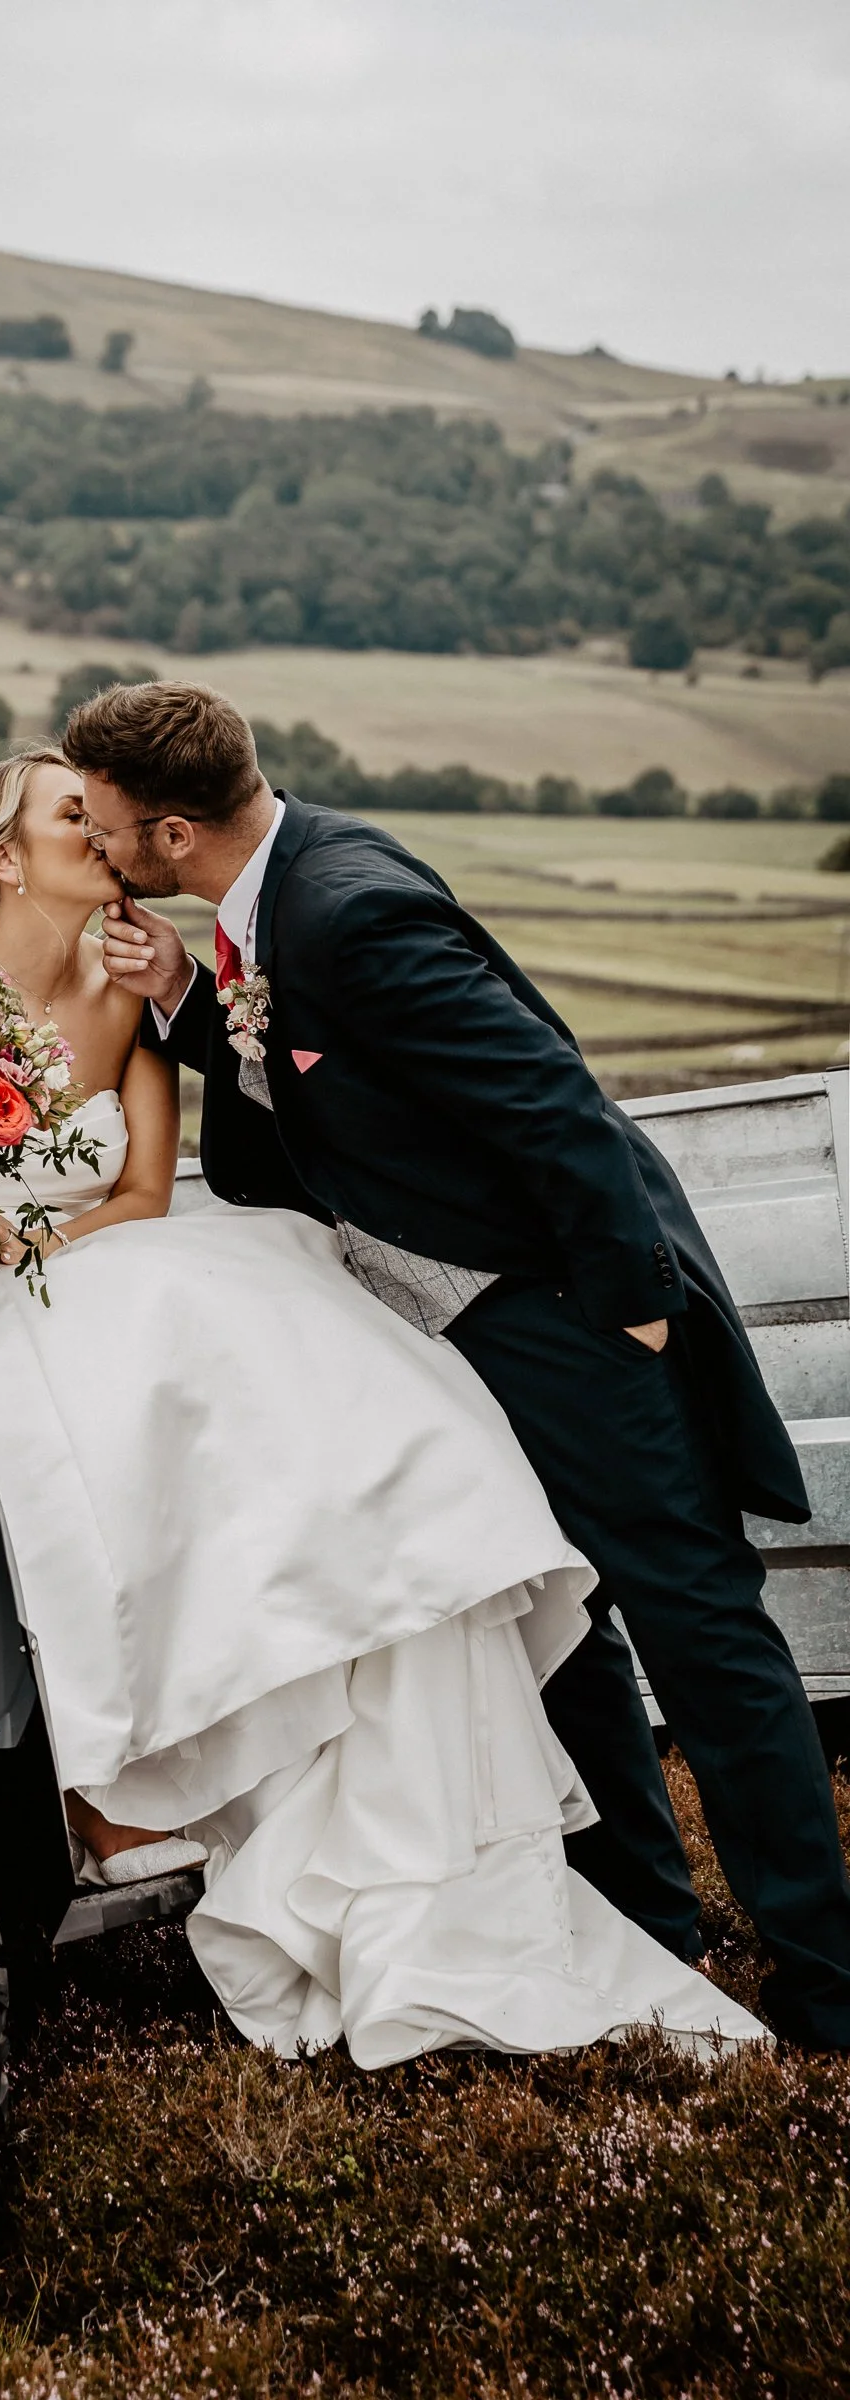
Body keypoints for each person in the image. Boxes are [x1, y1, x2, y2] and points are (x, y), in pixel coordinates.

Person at [0, 749, 766, 2066]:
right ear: (1, 857)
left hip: (102, 1261)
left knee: (321, 1384)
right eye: (71, 817)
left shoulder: (134, 990)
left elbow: (144, 1194)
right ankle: (113, 1791)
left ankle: (376, 1780)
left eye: (104, 815)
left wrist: (39, 1233)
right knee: (75, 1410)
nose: (100, 836)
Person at [79, 677, 850, 2052]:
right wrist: (195, 1002)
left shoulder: (345, 909)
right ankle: (646, 1920)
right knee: (562, 1619)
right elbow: (335, 1087)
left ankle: (831, 1983)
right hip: (469, 1329)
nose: (95, 843)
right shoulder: (276, 890)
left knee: (701, 1629)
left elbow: (549, 1098)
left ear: (174, 836)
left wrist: (632, 1311)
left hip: (571, 1317)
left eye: (106, 823)